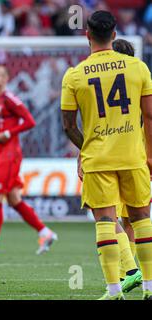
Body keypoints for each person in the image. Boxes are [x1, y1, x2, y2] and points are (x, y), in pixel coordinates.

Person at [61, 11, 152, 300]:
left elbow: (68, 125)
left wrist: (86, 147)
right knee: (141, 218)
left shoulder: (75, 74)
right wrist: (150, 155)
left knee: (104, 220)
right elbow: (149, 116)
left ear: (87, 34)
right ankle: (149, 287)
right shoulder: (138, 67)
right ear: (115, 35)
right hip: (133, 156)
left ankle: (114, 290)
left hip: (98, 159)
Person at [76, 38, 142, 295]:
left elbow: (90, 127)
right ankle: (134, 276)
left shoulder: (101, 85)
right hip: (136, 158)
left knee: (106, 216)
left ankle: (129, 273)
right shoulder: (138, 81)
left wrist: (83, 155)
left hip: (109, 159)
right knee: (132, 220)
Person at [0, 65, 58, 255]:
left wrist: (9, 133)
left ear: (6, 79)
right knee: (13, 199)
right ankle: (46, 232)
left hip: (10, 154)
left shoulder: (10, 99)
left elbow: (29, 121)